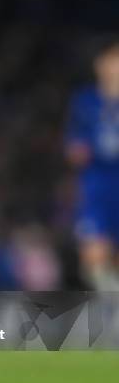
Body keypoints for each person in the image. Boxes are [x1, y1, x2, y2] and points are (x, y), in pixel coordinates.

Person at [65, 41, 119, 291]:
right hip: (96, 188)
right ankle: (110, 305)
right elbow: (74, 148)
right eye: (112, 62)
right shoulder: (86, 101)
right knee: (93, 256)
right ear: (100, 65)